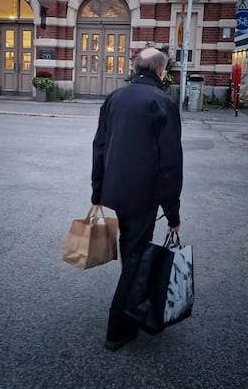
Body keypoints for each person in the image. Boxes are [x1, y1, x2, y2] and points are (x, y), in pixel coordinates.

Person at [91, 47, 183, 351]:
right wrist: (173, 213)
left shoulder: (115, 97)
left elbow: (100, 146)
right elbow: (170, 164)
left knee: (132, 255)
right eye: (165, 69)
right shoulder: (163, 102)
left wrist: (97, 193)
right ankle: (118, 328)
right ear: (159, 70)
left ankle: (134, 300)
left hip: (114, 192)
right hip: (144, 196)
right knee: (134, 258)